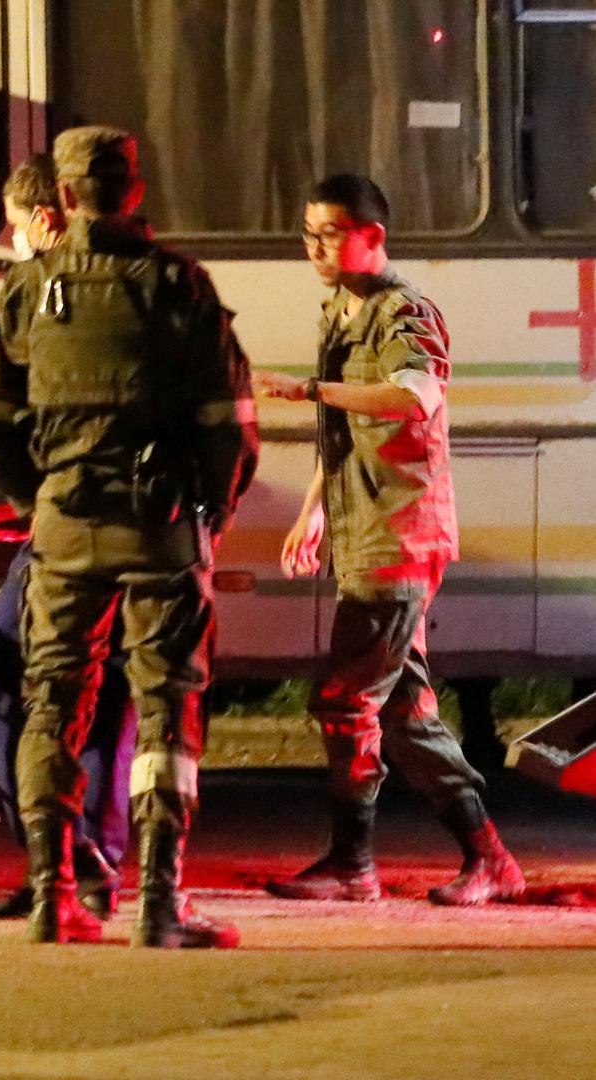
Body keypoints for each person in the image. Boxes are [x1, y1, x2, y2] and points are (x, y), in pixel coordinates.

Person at [0, 126, 258, 947]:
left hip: (63, 528)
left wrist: (41, 498)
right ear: (134, 190)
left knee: (52, 700)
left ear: (61, 197)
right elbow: (229, 425)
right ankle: (159, 904)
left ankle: (52, 898)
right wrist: (210, 514)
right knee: (166, 710)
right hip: (160, 527)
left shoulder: (28, 290)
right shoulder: (179, 285)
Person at [253, 174, 523, 907]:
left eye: (329, 233)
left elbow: (413, 396)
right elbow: (341, 431)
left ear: (372, 235)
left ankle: (354, 864)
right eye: (308, 233)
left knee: (346, 700)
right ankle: (488, 859)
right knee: (402, 713)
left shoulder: (405, 312)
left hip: (399, 533)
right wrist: (314, 510)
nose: (314, 247)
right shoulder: (339, 310)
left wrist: (308, 389)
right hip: (363, 530)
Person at [0, 154, 137, 922]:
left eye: (13, 225)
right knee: (75, 691)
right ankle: (68, 857)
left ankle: (71, 860)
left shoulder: (39, 292)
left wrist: (17, 491)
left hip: (74, 523)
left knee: (25, 682)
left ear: (45, 216)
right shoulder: (161, 284)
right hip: (124, 523)